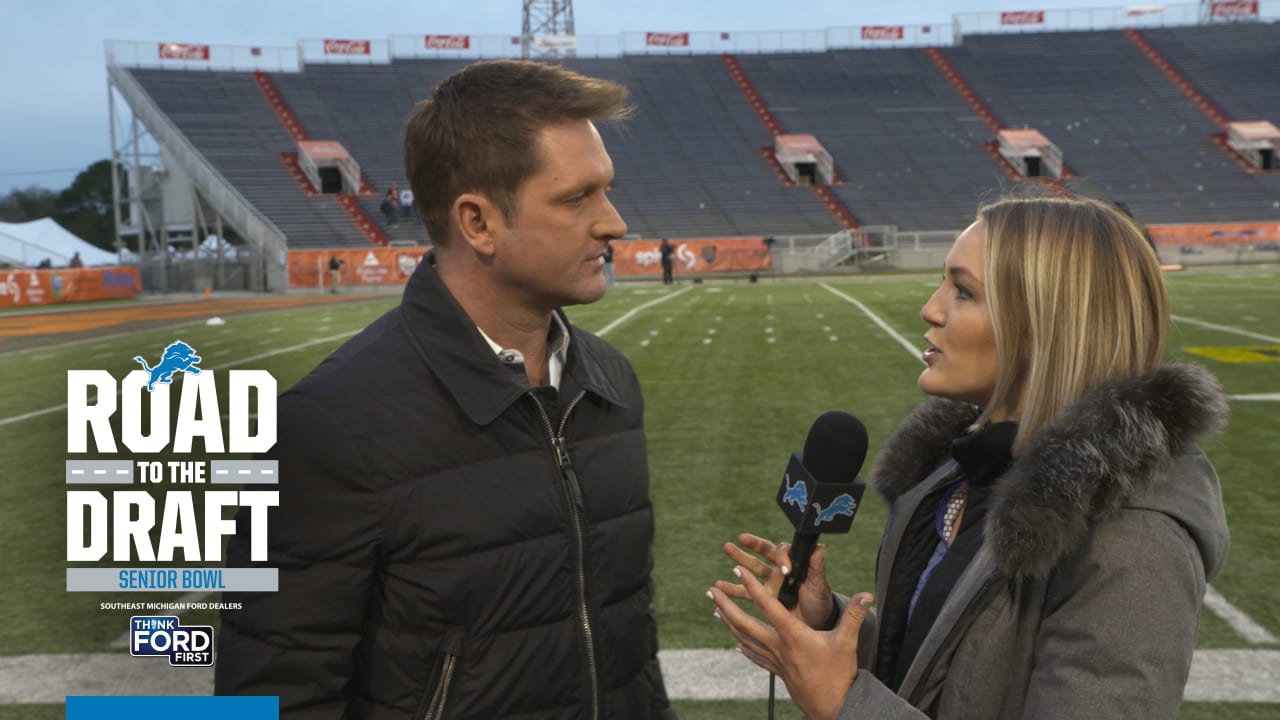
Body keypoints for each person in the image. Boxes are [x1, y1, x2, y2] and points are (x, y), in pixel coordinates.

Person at [217, 60, 677, 720]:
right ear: (478, 222)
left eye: (605, 191)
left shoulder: (609, 385)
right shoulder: (329, 427)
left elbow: (629, 647)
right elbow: (275, 692)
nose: (614, 223)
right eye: (578, 198)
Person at [708, 195, 1229, 720]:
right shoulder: (961, 470)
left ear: (1045, 323)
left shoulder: (1135, 538)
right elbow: (944, 669)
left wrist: (846, 703)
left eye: (962, 291)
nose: (930, 309)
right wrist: (827, 625)